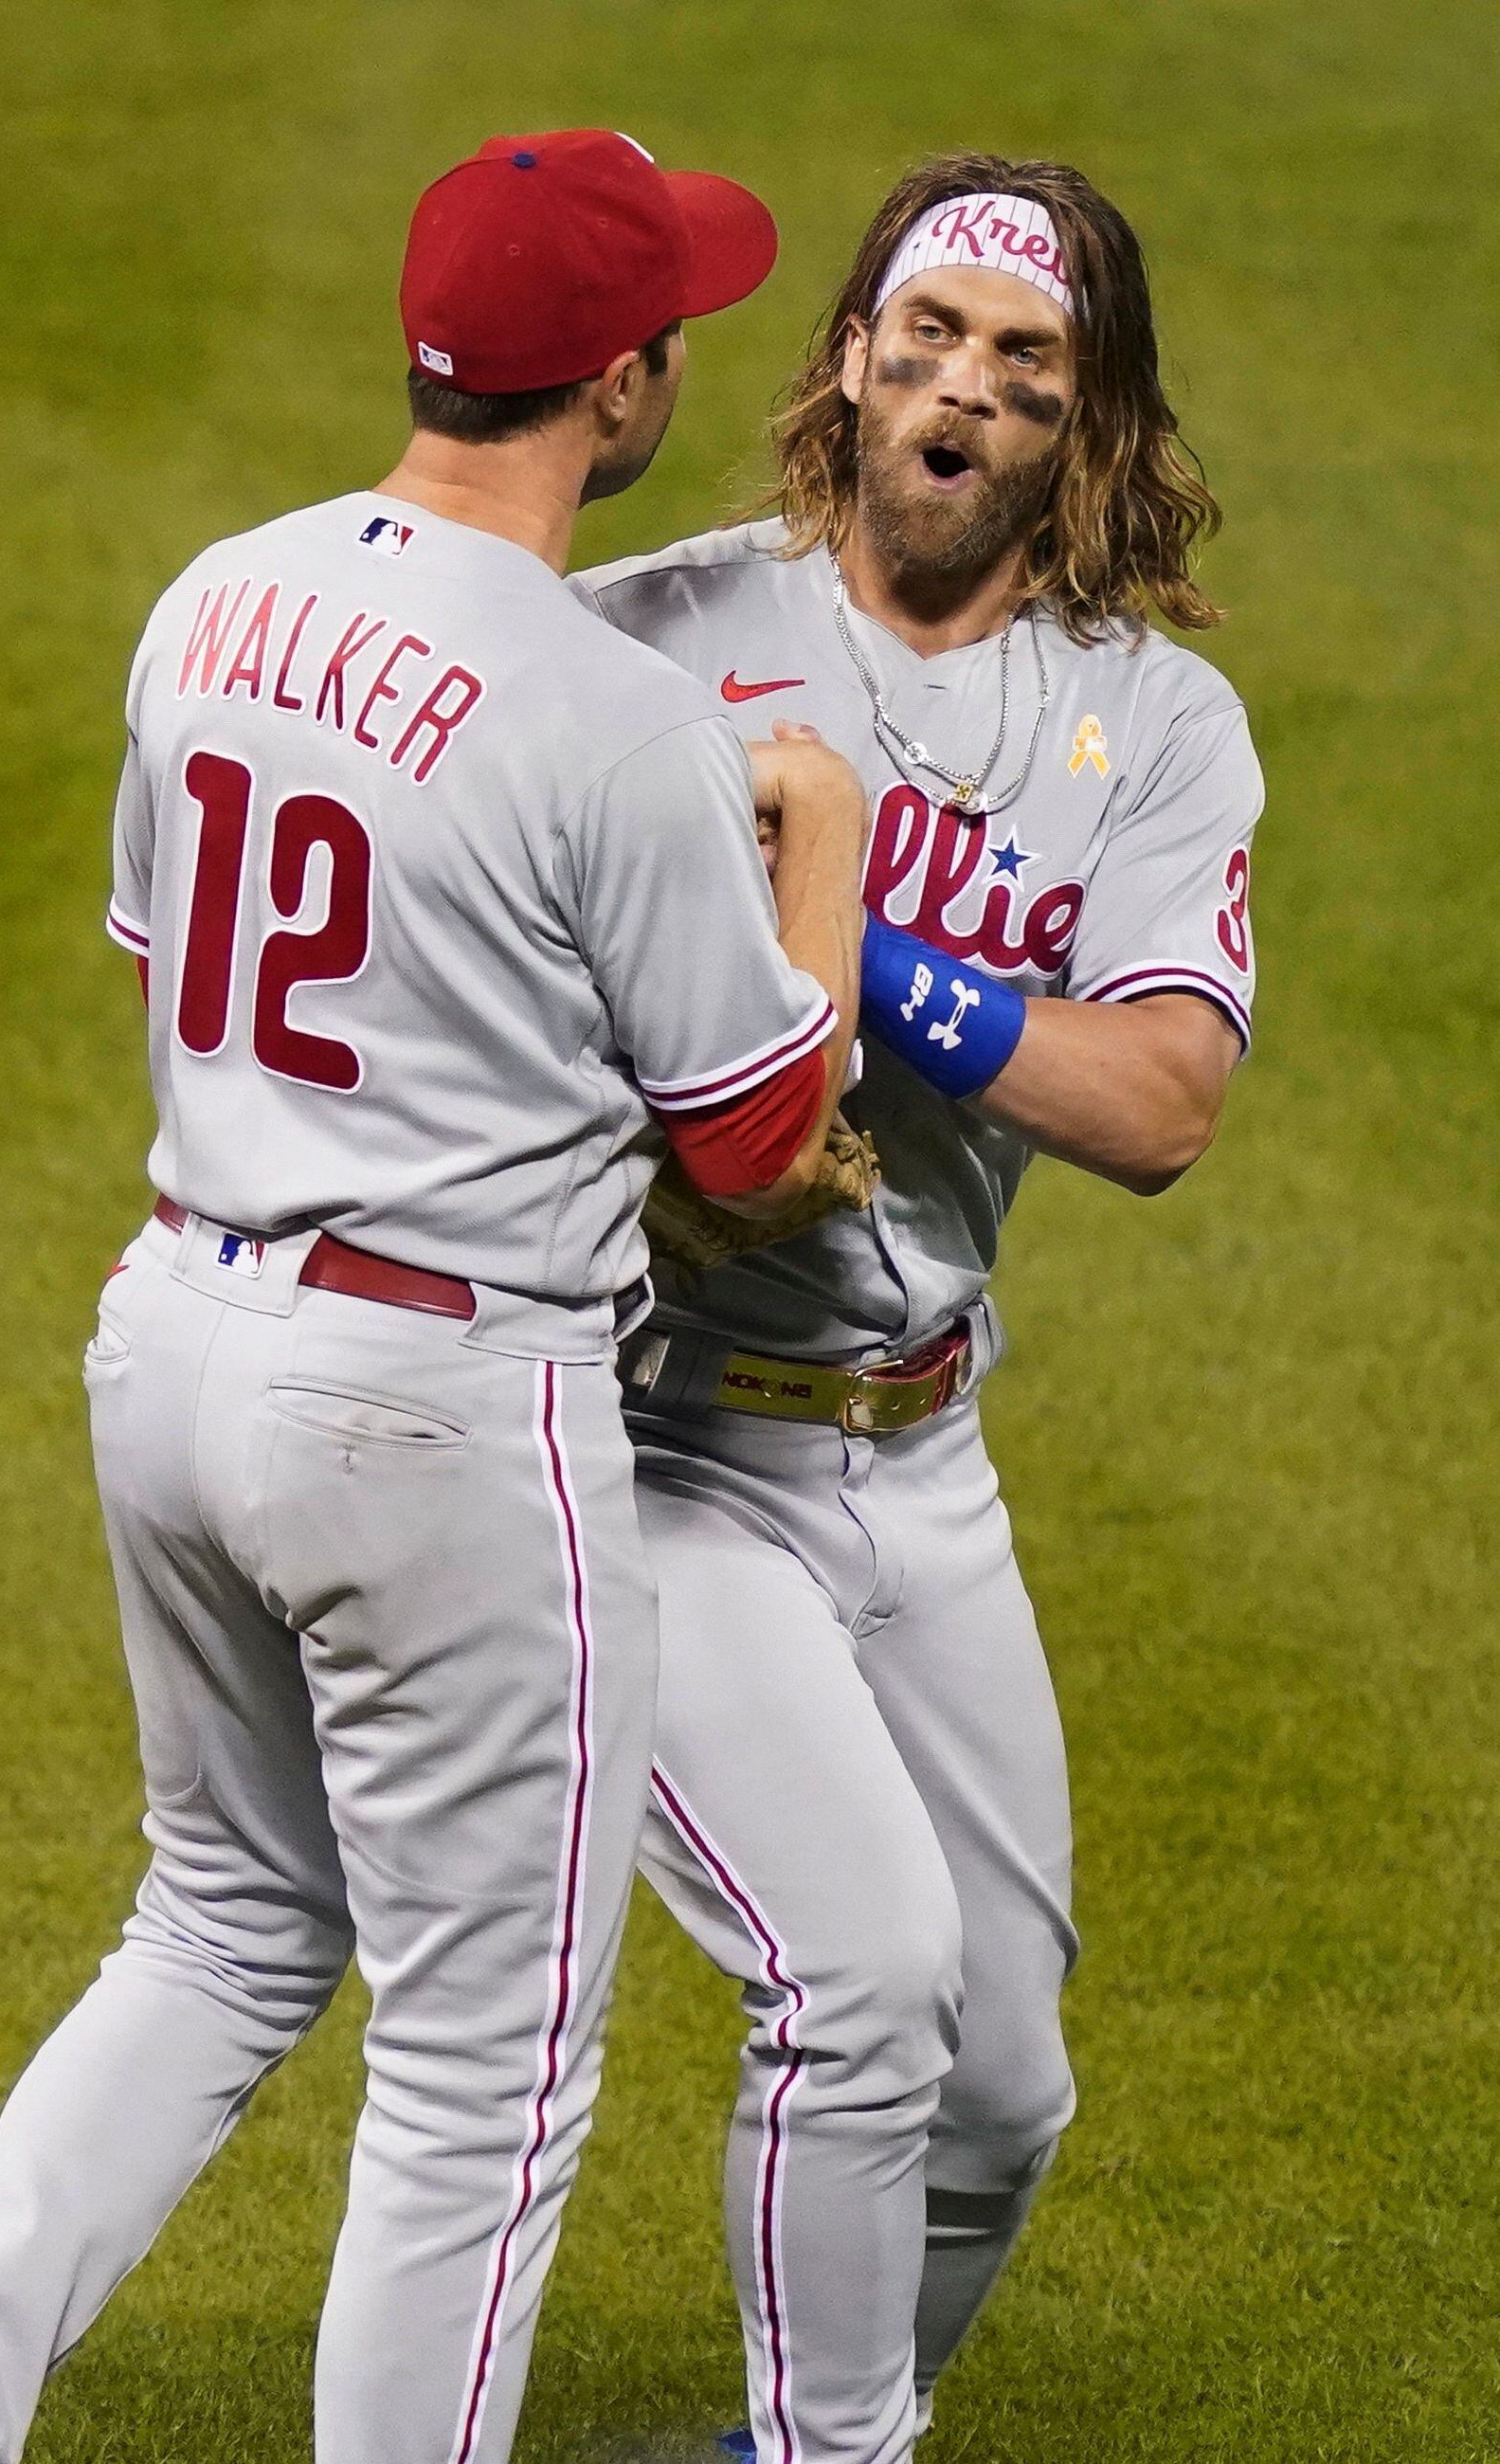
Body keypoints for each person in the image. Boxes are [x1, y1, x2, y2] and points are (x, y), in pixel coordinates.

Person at [0, 132, 875, 2464]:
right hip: (439, 1402)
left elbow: (158, 959)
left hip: (174, 1329)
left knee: (219, 1918)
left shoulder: (215, 598)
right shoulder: (604, 717)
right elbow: (754, 1142)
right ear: (618, 388)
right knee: (485, 2060)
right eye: (669, 329)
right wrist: (827, 864)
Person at [579, 157, 1258, 2464]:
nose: (964, 386)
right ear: (851, 356)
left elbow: (1160, 1100)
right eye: (929, 333)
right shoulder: (644, 631)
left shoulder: (1154, 729)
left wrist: (860, 951)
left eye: (1026, 363)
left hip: (922, 1456)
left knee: (999, 2091)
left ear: (1089, 423)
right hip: (664, 1440)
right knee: (857, 1983)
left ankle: (818, 2433)